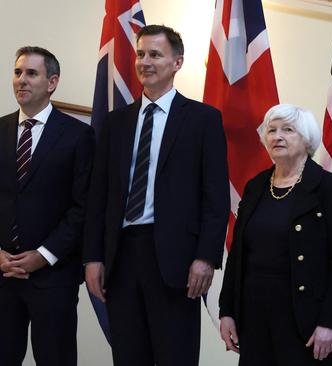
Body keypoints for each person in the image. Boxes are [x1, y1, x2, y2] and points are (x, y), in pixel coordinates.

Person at [83, 25, 230, 365]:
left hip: (176, 261)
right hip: (120, 257)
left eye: (155, 54)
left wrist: (206, 257)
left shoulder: (203, 120)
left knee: (174, 355)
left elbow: (215, 198)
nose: (144, 62)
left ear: (177, 62)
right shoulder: (116, 122)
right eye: (140, 54)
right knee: (129, 355)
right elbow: (98, 196)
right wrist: (92, 257)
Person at [218, 104, 332, 365]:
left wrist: (329, 320)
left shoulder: (327, 187)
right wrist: (227, 311)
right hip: (254, 317)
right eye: (271, 130)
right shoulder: (255, 186)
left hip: (307, 321)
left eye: (287, 130)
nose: (276, 136)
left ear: (306, 140)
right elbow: (237, 255)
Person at [0, 46, 94, 366]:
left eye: (31, 73)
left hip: (53, 277)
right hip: (2, 273)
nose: (21, 80)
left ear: (52, 82)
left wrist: (43, 255)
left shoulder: (79, 136)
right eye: (17, 72)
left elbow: (83, 207)